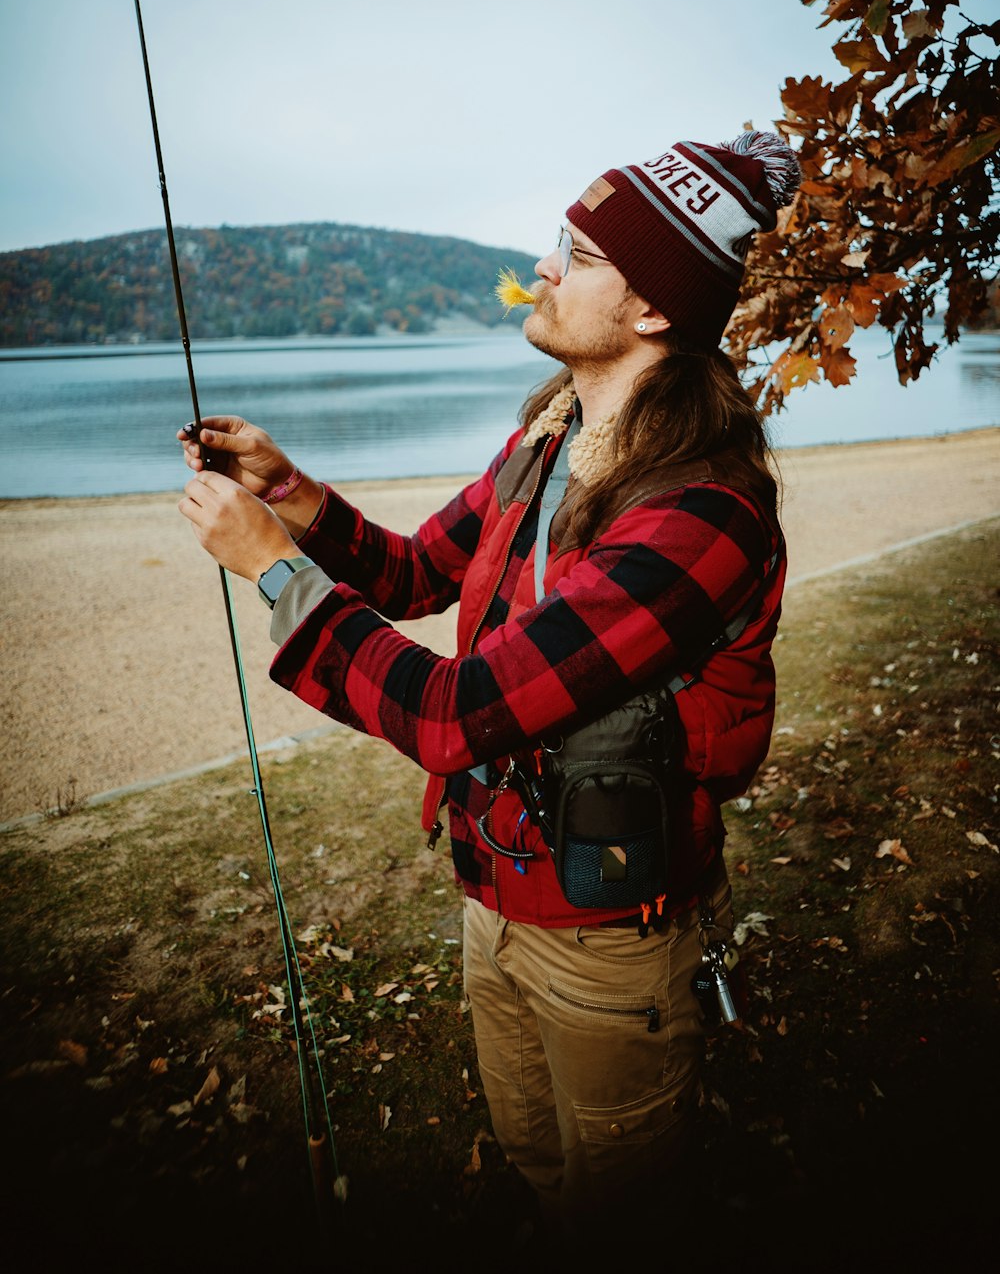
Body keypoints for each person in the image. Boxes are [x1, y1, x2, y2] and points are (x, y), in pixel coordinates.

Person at [178, 130, 800, 1244]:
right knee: (536, 1164)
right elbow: (418, 571)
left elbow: (452, 715)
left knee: (627, 1214)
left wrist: (272, 567)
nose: (544, 267)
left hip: (610, 931)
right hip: (492, 895)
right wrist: (293, 494)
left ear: (653, 307)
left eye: (577, 253)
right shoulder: (551, 437)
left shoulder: (700, 515)